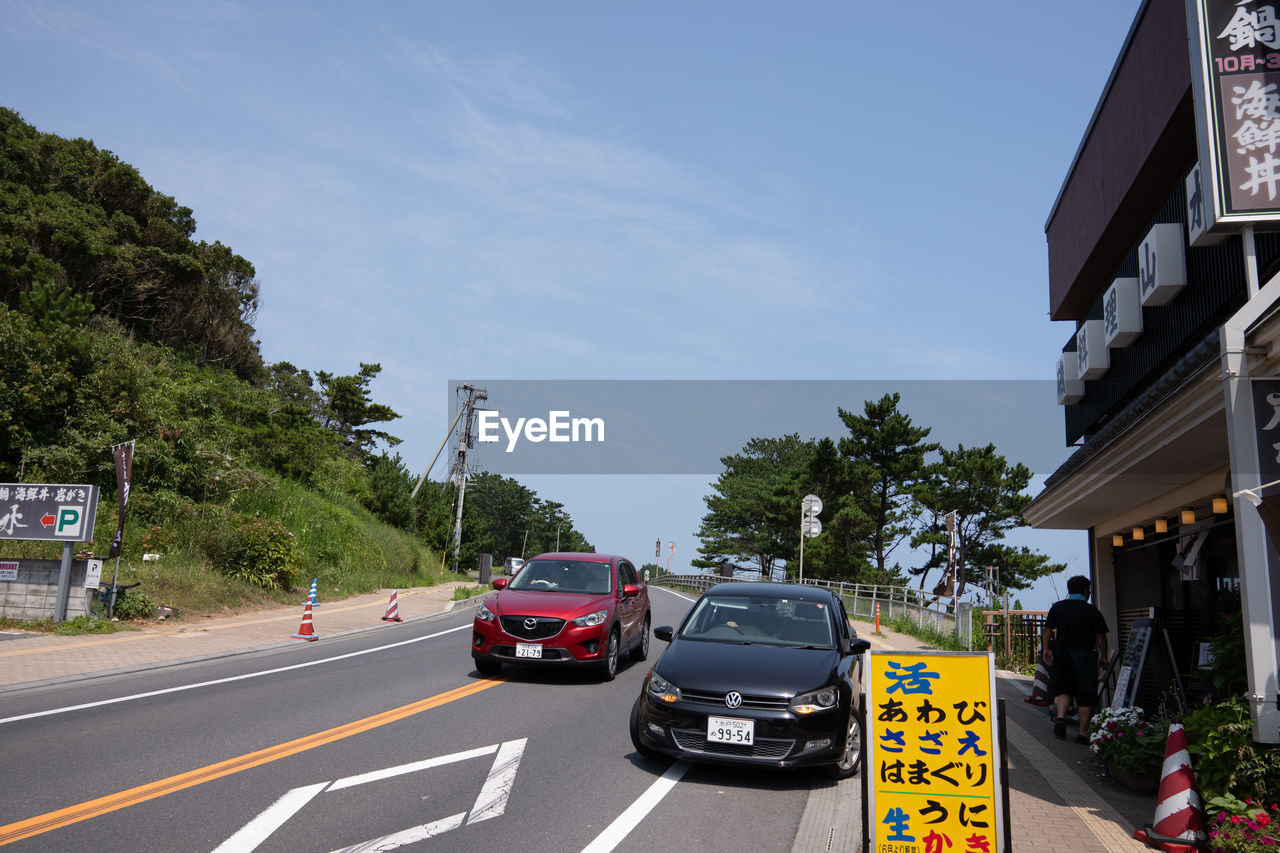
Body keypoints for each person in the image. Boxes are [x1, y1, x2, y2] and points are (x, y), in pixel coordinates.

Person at [1041, 575, 1109, 744]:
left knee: (1064, 689)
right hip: (1084, 655)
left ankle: (1062, 717)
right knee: (1085, 694)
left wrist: (1047, 649)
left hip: (1063, 654)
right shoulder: (1091, 610)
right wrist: (1105, 655)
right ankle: (1082, 734)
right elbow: (1100, 636)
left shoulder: (1058, 607)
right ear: (1086, 591)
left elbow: (1047, 630)